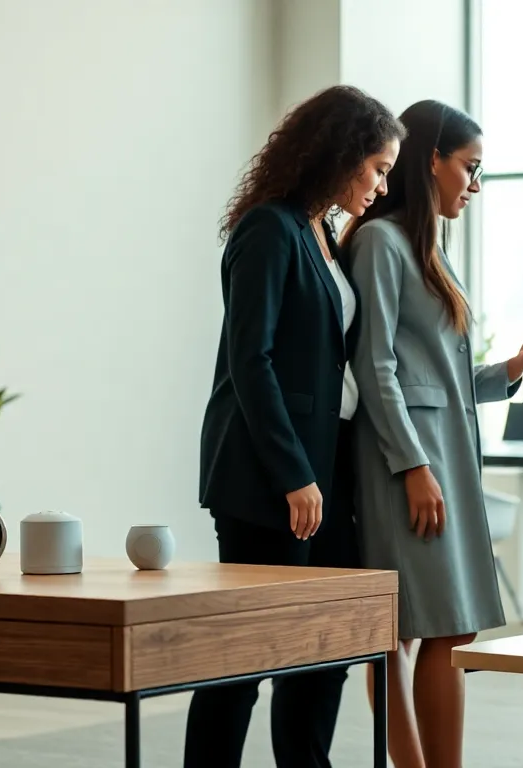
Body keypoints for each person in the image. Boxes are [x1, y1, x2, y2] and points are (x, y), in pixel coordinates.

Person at [188, 84, 404, 768]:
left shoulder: (322, 233)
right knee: (248, 656)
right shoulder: (268, 228)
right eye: (377, 169)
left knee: (325, 646)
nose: (380, 185)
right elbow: (250, 363)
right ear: (341, 155)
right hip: (267, 477)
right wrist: (294, 476)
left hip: (326, 470)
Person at [343, 100, 523, 768]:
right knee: (407, 633)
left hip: (443, 460)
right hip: (407, 465)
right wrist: (412, 465)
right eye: (469, 168)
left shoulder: (427, 247)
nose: (475, 184)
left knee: (447, 627)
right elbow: (373, 363)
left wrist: (514, 367)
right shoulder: (380, 241)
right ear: (430, 159)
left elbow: (437, 372)